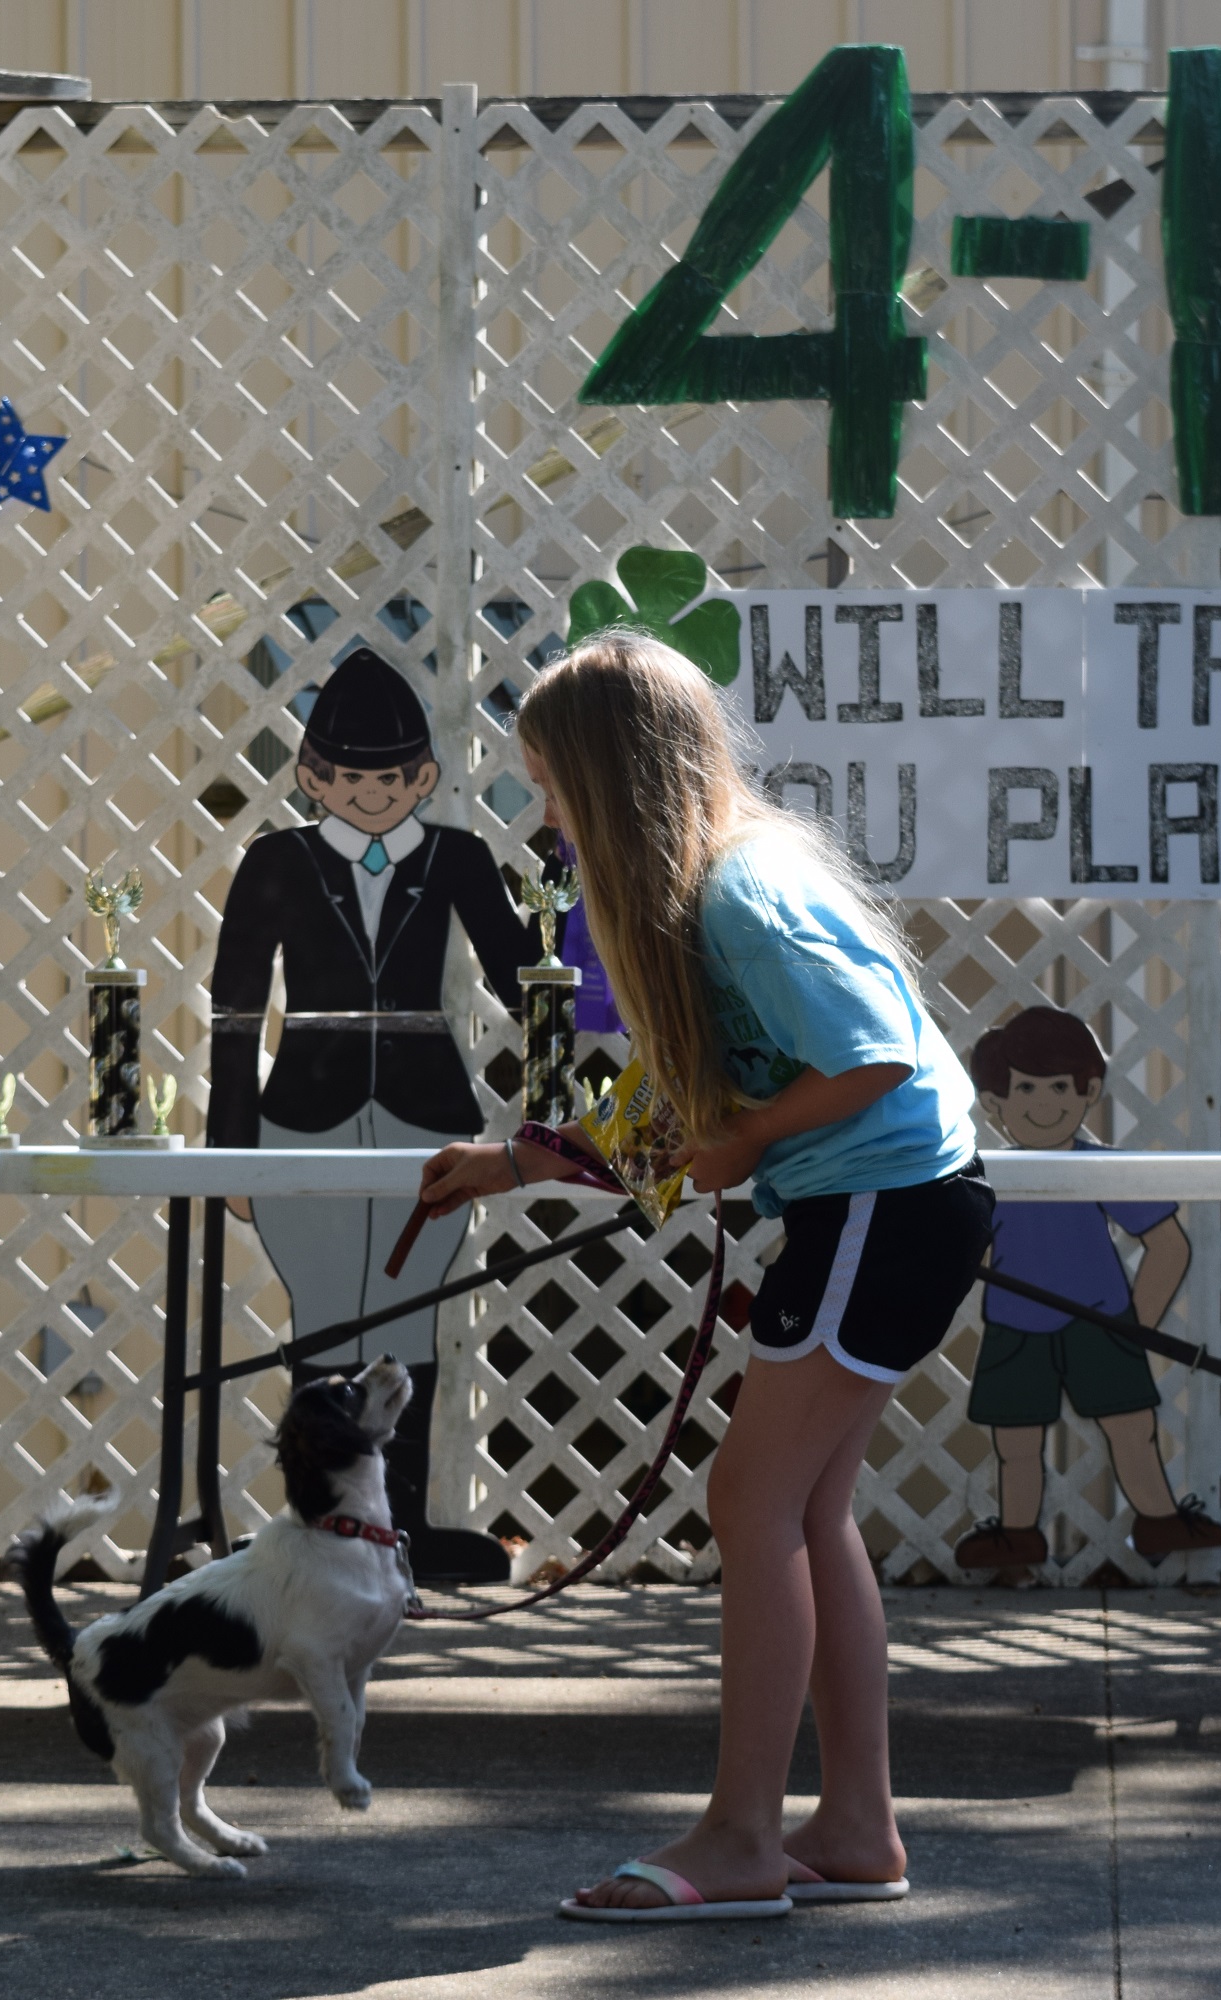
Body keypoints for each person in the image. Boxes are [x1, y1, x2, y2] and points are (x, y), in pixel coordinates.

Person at [418, 631, 990, 1922]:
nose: (544, 817)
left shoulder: (741, 895)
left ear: (616, 779)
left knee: (750, 1502)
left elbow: (876, 1061)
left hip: (881, 1210)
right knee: (804, 1512)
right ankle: (855, 1835)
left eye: (554, 787)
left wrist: (742, 1142)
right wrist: (519, 1161)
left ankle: (741, 1839)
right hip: (888, 1210)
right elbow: (694, 1106)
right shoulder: (728, 885)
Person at [208, 647, 533, 1583]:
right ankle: (316, 1529)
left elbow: (521, 981)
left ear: (423, 776)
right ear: (313, 777)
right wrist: (230, 1152)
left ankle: (405, 1530)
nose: (372, 793)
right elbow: (233, 1009)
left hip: (427, 1111)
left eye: (392, 778)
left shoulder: (461, 859)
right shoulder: (276, 859)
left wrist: (568, 906)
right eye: (350, 777)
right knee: (322, 1322)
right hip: (300, 1111)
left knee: (408, 1323)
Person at [952, 1004, 1221, 1575]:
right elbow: (970, 1254)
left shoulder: (1105, 1169)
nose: (1044, 1102)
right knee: (1017, 1440)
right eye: (1026, 1087)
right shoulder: (989, 1177)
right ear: (995, 1103)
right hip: (1015, 1324)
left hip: (1100, 1319)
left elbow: (1168, 1245)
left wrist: (1135, 1324)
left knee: (1132, 1428)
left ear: (1089, 1090)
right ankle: (1018, 1535)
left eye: (1059, 1086)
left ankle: (1159, 1517)